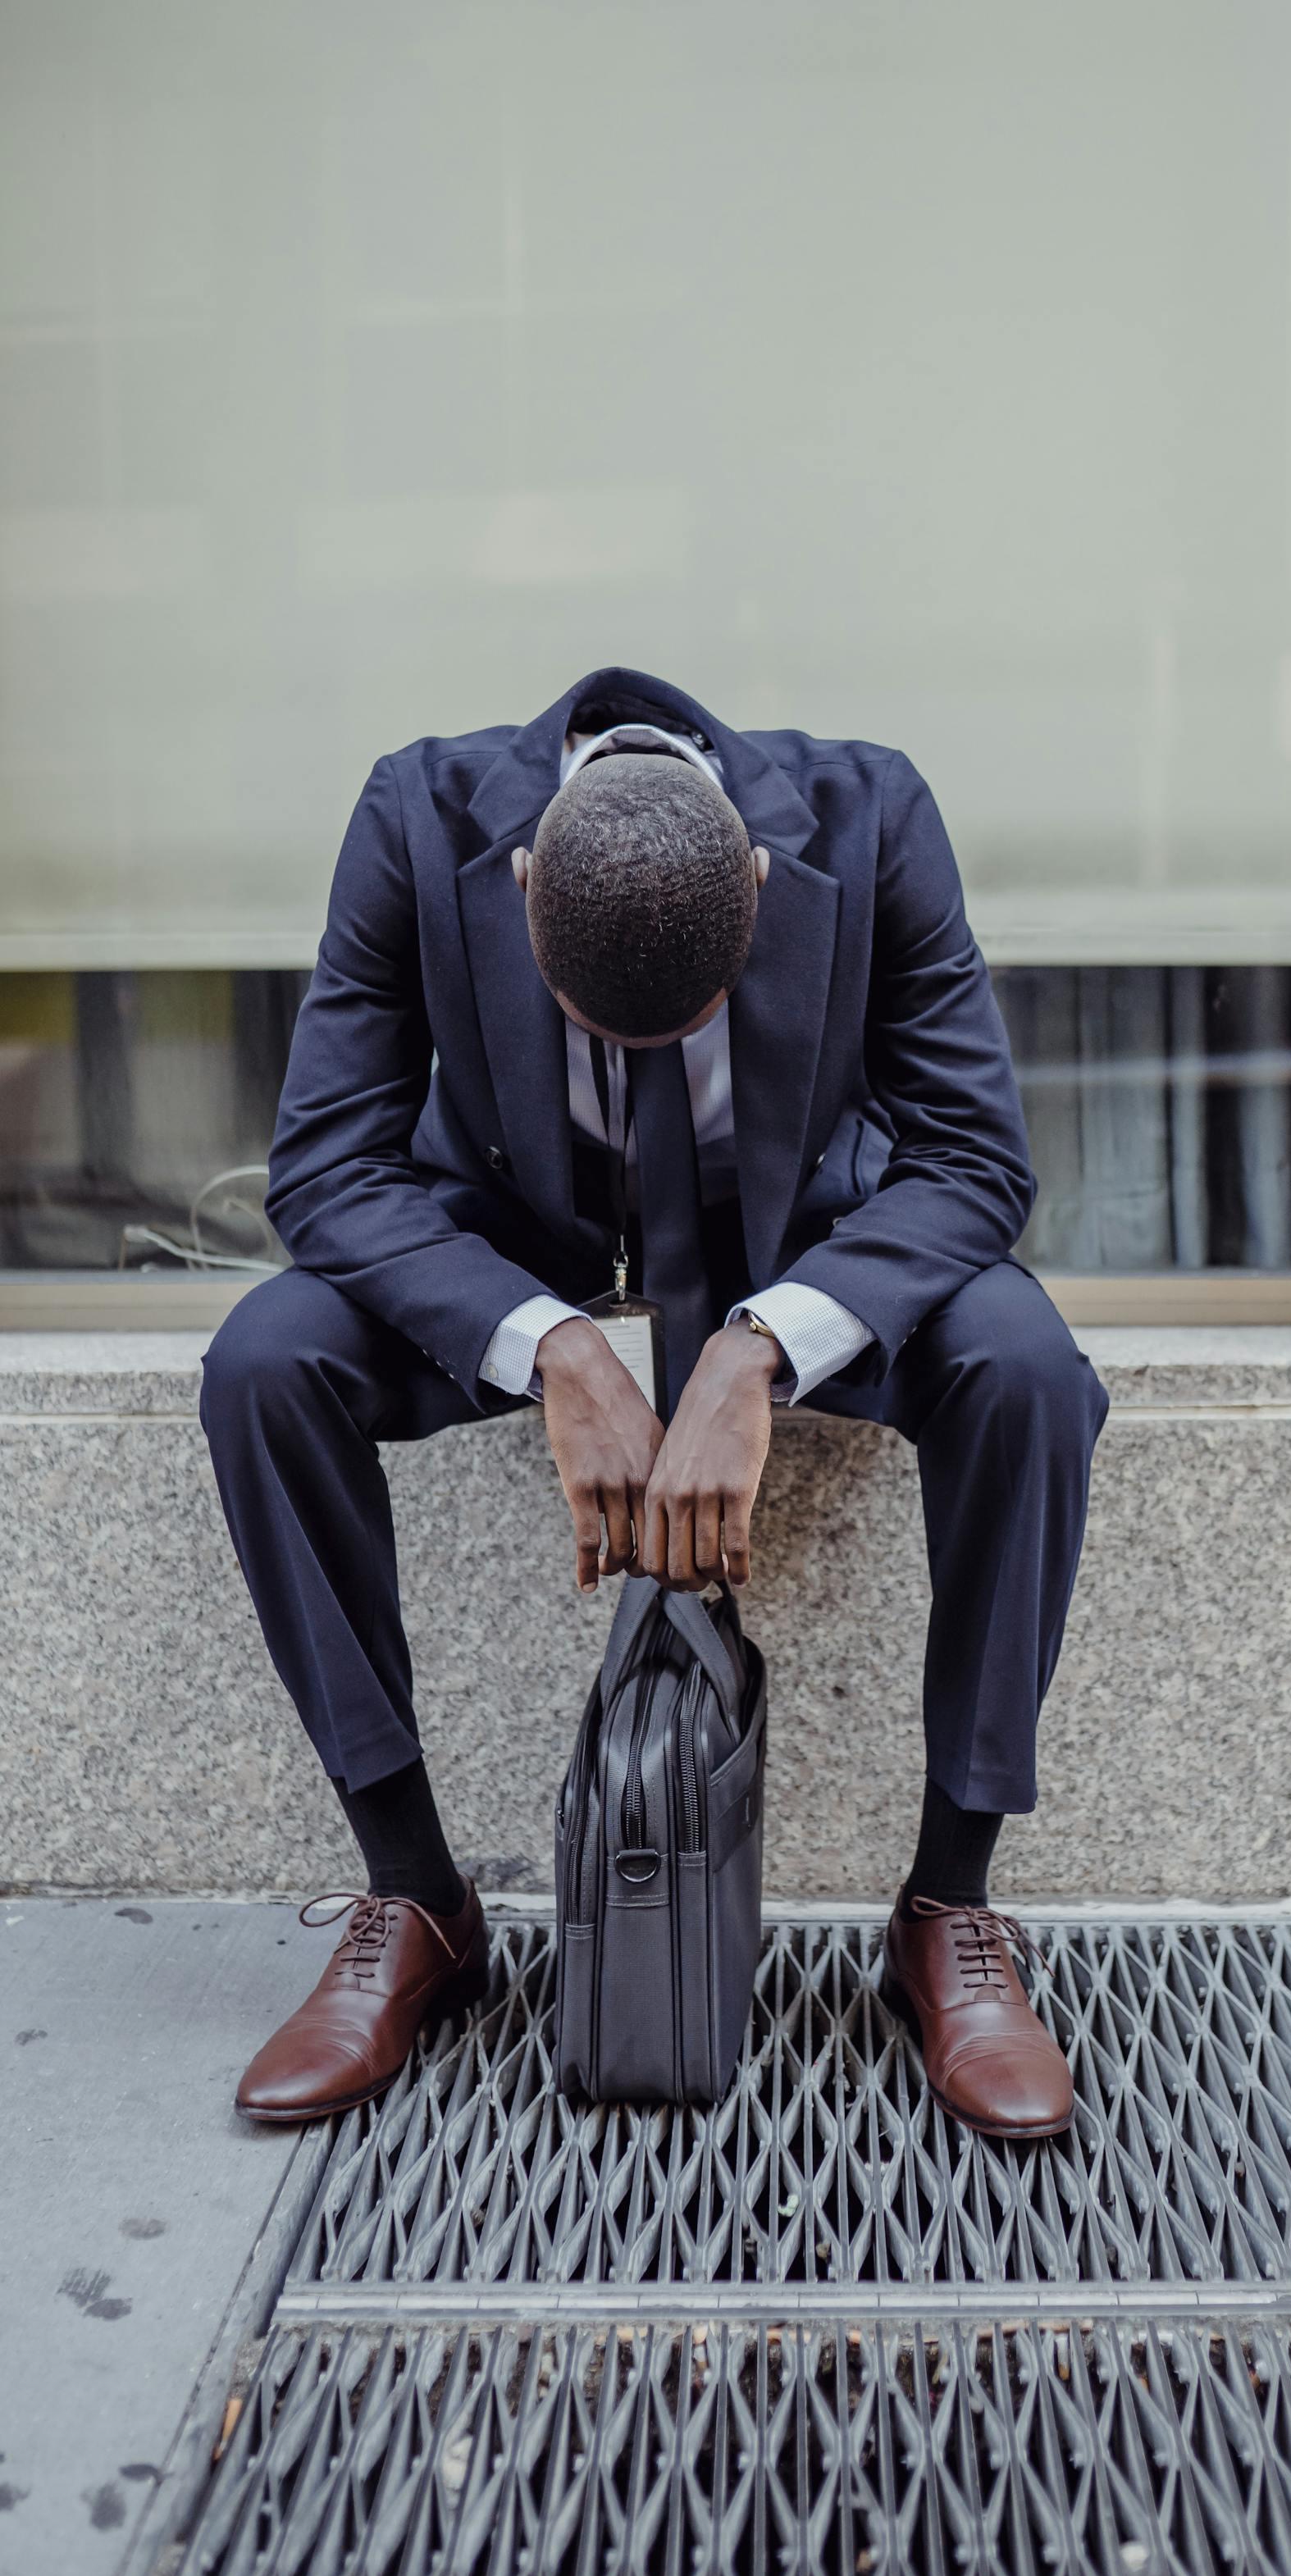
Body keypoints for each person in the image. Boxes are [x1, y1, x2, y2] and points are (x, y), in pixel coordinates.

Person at [201, 668, 1109, 2140]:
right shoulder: (419, 824)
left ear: (756, 884)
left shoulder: (869, 818)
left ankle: (952, 1903)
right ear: (519, 888)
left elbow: (977, 1163)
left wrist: (759, 1348)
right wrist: (549, 1345)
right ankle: (413, 1897)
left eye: (680, 1021)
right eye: (586, 1017)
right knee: (261, 1365)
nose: (634, 1058)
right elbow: (325, 1170)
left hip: (803, 1251)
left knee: (1026, 1368)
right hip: (508, 1255)